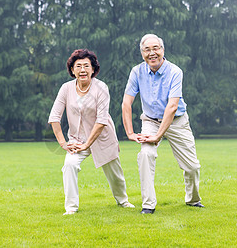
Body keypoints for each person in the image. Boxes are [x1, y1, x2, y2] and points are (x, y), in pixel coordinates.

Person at [122, 34, 204, 215]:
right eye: (147, 50)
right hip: (150, 120)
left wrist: (158, 135)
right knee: (145, 154)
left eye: (155, 48)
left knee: (192, 167)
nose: (152, 53)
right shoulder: (136, 71)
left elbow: (172, 106)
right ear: (142, 53)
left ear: (163, 50)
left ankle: (193, 200)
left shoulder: (175, 71)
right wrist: (130, 132)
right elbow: (126, 103)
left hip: (177, 121)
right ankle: (148, 204)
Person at [48, 49, 135, 215]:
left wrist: (87, 144)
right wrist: (63, 144)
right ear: (72, 70)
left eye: (86, 66)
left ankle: (123, 201)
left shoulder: (101, 88)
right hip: (76, 140)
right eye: (78, 66)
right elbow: (54, 117)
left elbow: (102, 120)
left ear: (93, 69)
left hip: (101, 138)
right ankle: (71, 208)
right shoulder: (66, 88)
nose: (82, 70)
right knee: (69, 165)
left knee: (115, 174)